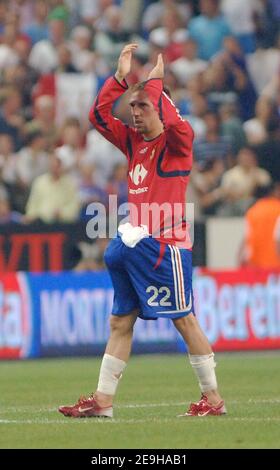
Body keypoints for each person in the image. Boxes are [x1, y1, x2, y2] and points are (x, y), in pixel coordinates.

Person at [59, 43, 226, 418]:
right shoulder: (133, 142)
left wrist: (154, 83)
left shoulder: (177, 143)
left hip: (169, 245)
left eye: (142, 106)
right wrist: (120, 79)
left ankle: (213, 399)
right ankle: (102, 402)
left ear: (160, 108)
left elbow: (172, 117)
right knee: (120, 320)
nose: (134, 113)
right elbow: (99, 116)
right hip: (138, 242)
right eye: (132, 107)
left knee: (184, 318)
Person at [238, 181, 280, 269]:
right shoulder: (278, 209)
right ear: (274, 192)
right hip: (276, 264)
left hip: (255, 266)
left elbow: (247, 238)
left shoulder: (252, 211)